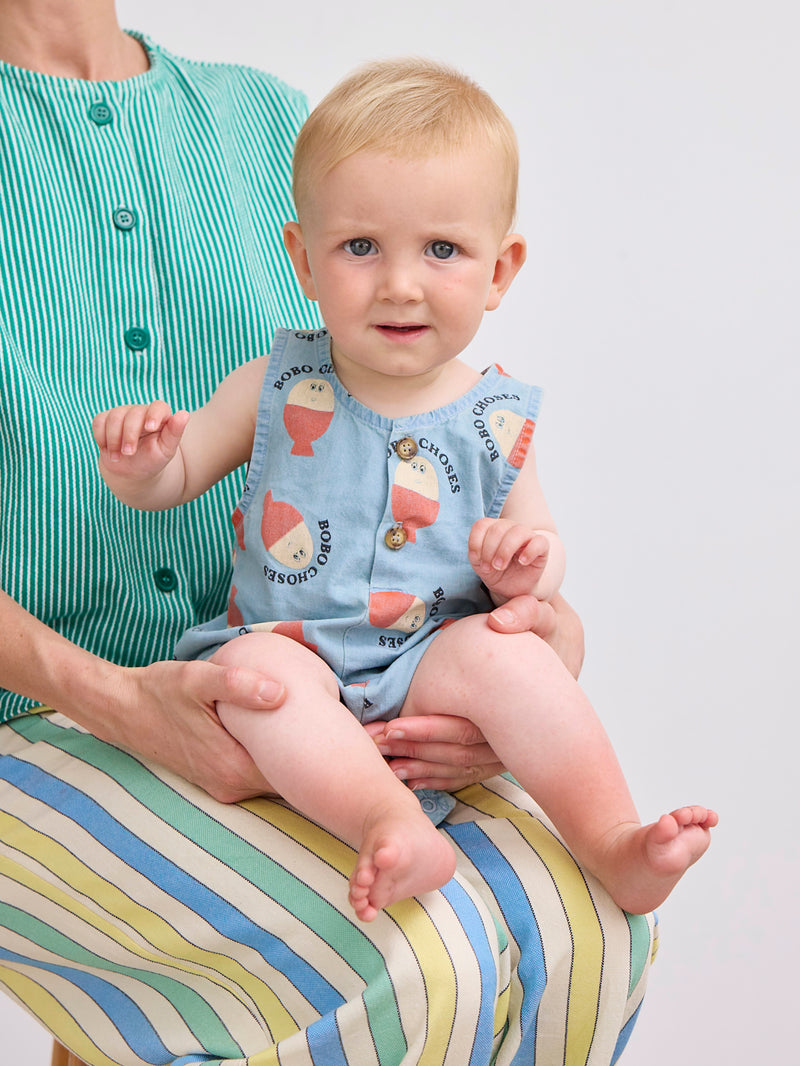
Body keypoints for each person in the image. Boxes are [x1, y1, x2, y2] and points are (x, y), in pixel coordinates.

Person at [0, 5, 655, 1064]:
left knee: (588, 925)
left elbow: (397, 432)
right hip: (43, 709)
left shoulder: (266, 120)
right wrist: (116, 697)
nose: (397, 277)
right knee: (415, 960)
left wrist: (533, 639)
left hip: (317, 703)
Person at [93, 57, 716, 926]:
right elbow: (180, 472)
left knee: (512, 658)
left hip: (430, 667)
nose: (399, 282)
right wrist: (143, 465)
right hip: (296, 647)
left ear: (500, 271)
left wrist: (524, 566)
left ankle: (612, 838)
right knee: (252, 680)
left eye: (442, 250)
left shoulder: (497, 416)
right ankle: (388, 823)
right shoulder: (282, 378)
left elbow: (539, 562)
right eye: (360, 247)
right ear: (304, 260)